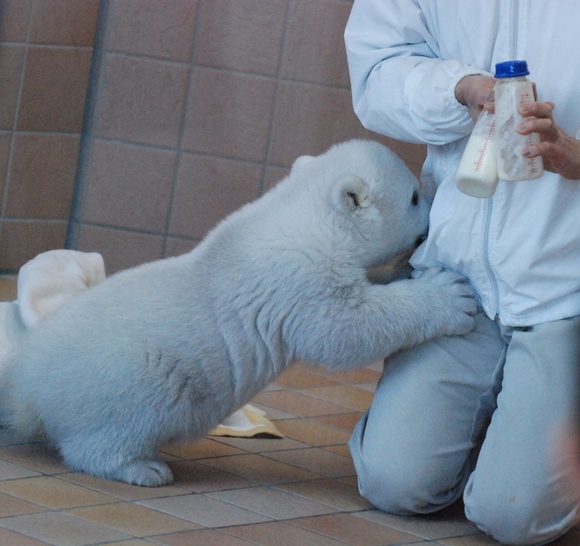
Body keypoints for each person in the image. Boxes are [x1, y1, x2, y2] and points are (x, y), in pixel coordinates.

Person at [344, 2, 580, 545]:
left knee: (516, 516)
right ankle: (505, 421)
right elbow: (378, 68)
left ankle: (525, 425)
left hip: (566, 290)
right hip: (458, 278)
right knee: (393, 482)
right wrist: (459, 88)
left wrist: (575, 155)